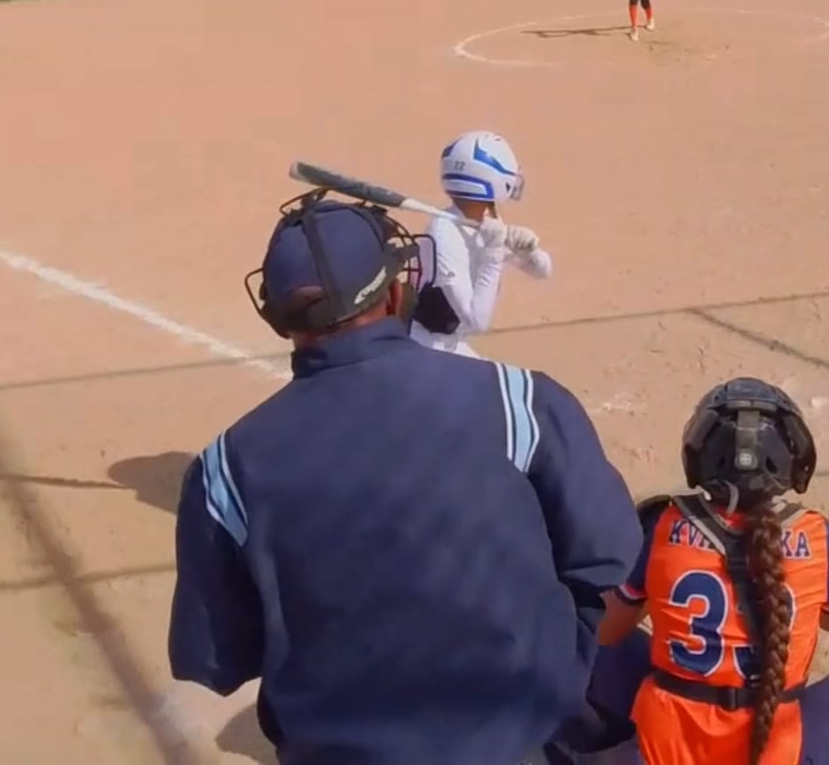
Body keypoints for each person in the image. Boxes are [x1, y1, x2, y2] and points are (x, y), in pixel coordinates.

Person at [168, 190, 641, 765]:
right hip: (518, 743)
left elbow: (216, 657)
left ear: (278, 318)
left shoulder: (226, 466)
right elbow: (608, 556)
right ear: (396, 293)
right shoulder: (519, 400)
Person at [591, 378, 829, 765]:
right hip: (773, 749)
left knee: (590, 648)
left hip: (667, 750)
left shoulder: (660, 525)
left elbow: (607, 630)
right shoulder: (821, 538)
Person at [411, 130, 552, 358]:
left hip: (452, 344)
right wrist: (493, 254)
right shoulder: (444, 234)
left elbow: (543, 270)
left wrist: (529, 250)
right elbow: (477, 321)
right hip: (426, 347)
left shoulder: (486, 221)